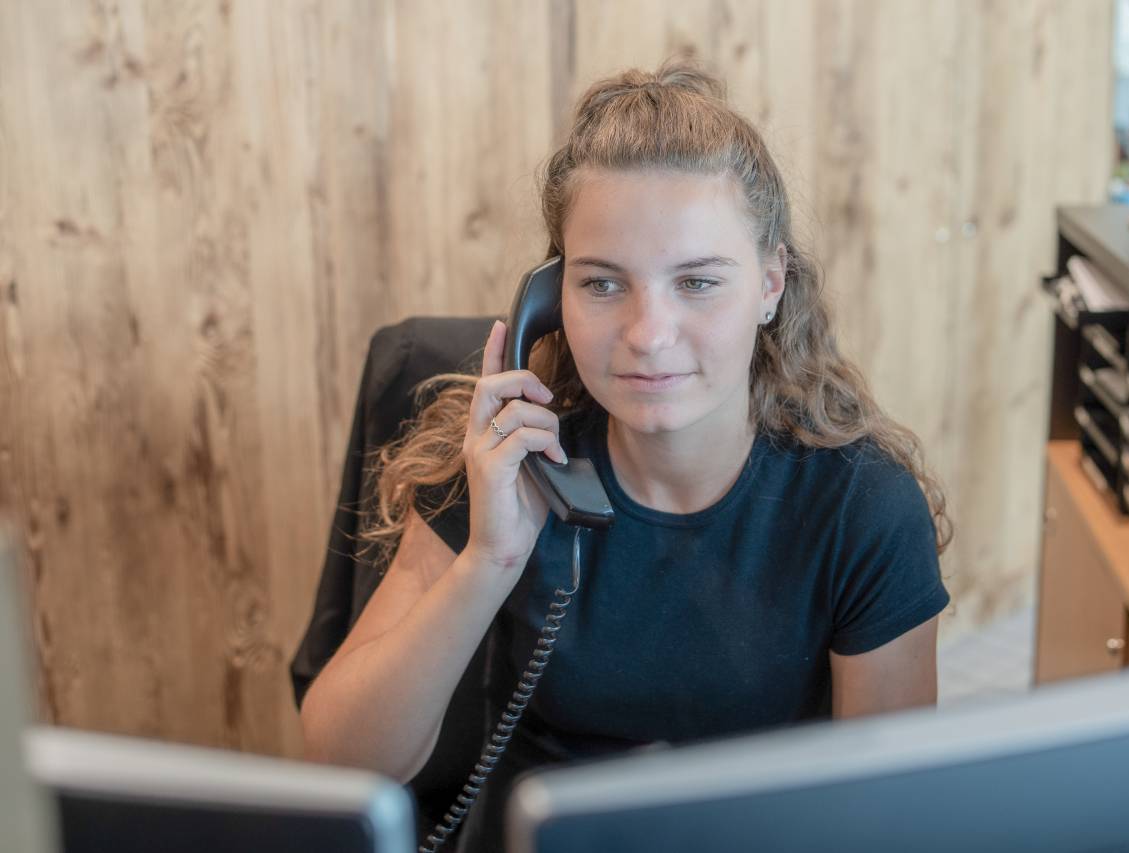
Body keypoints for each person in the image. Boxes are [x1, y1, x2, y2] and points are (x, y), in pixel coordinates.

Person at [298, 59, 953, 853]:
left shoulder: (860, 508)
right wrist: (490, 557)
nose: (648, 334)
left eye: (699, 282)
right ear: (550, 298)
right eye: (603, 284)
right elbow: (341, 761)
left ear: (771, 283)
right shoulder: (505, 462)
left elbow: (892, 820)